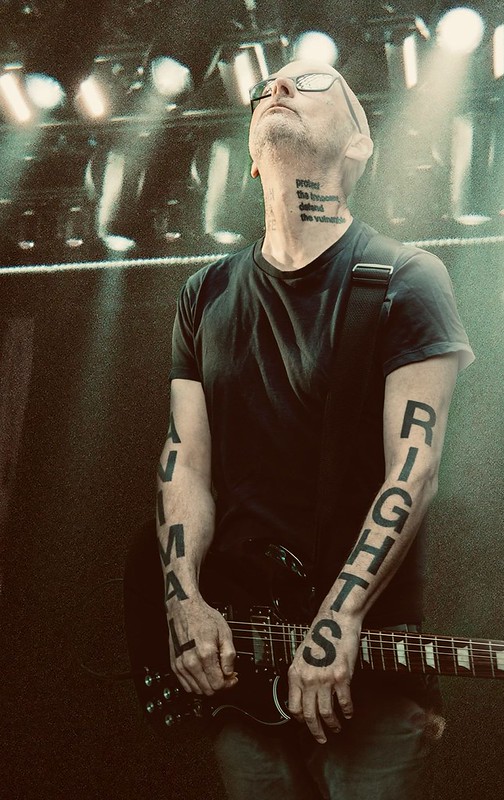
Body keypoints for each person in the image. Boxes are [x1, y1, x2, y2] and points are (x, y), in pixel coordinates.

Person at [155, 59, 474, 799]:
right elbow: (184, 464)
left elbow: (413, 470)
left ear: (358, 144)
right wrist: (184, 599)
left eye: (313, 82)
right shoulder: (205, 292)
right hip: (245, 666)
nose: (278, 87)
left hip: (372, 669)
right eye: (267, 86)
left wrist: (339, 618)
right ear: (251, 157)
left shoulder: (404, 278)